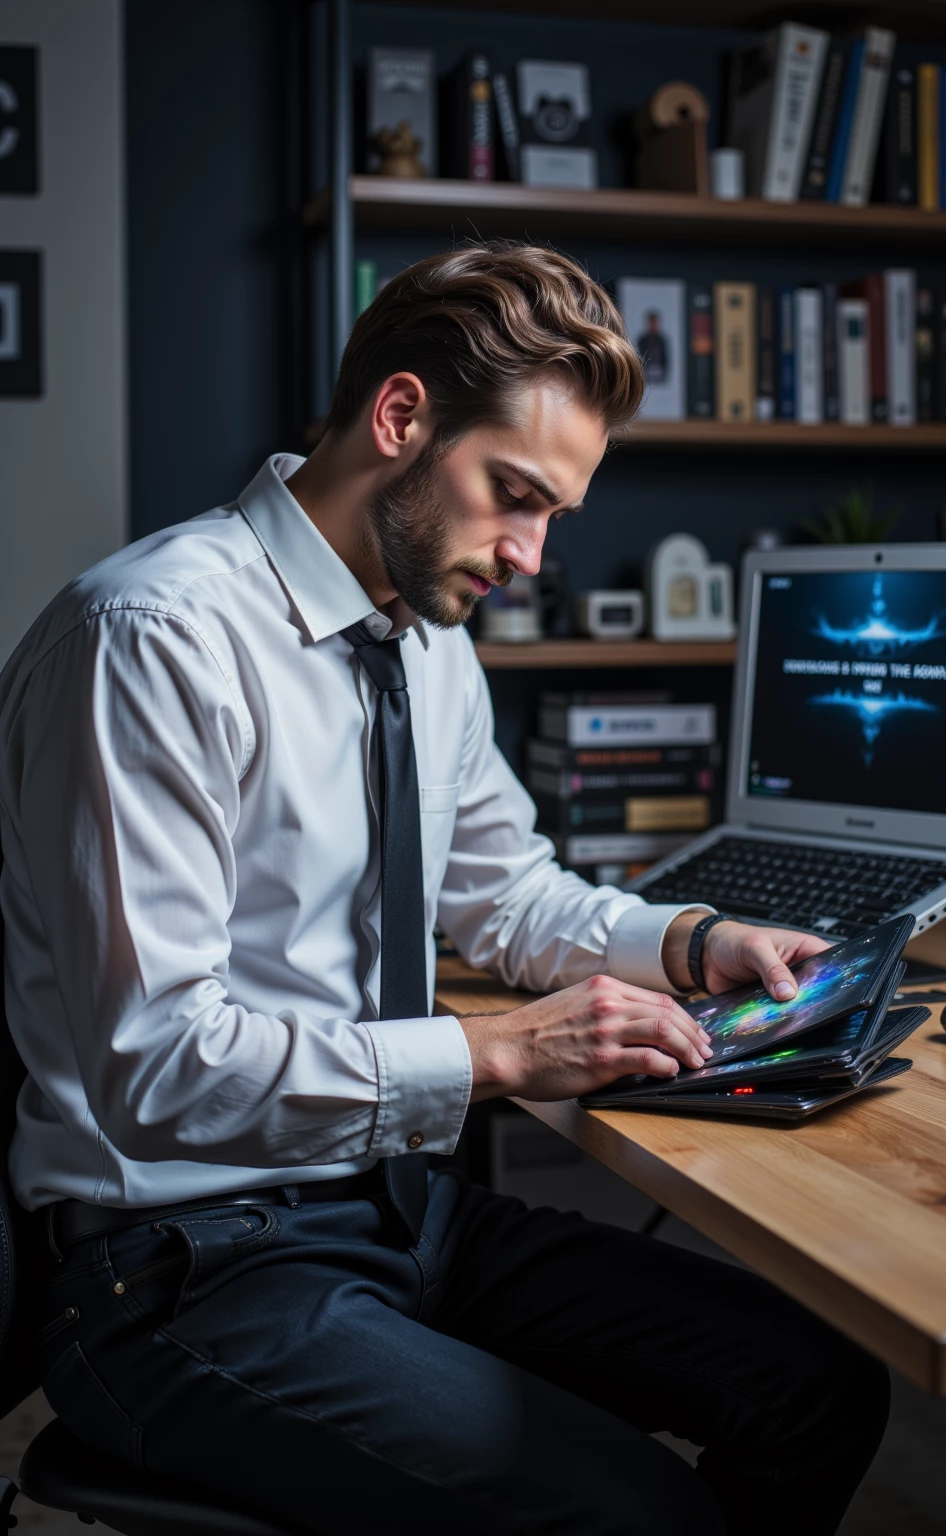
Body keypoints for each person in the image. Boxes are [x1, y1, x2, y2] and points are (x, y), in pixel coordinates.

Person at [0, 243, 889, 1535]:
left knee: (819, 1385)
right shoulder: (151, 641)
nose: (530, 556)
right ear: (402, 417)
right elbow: (158, 1062)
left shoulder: (427, 638)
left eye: (554, 517)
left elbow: (507, 898)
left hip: (400, 1211)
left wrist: (696, 942)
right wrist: (501, 1054)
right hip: (182, 1273)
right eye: (512, 495)